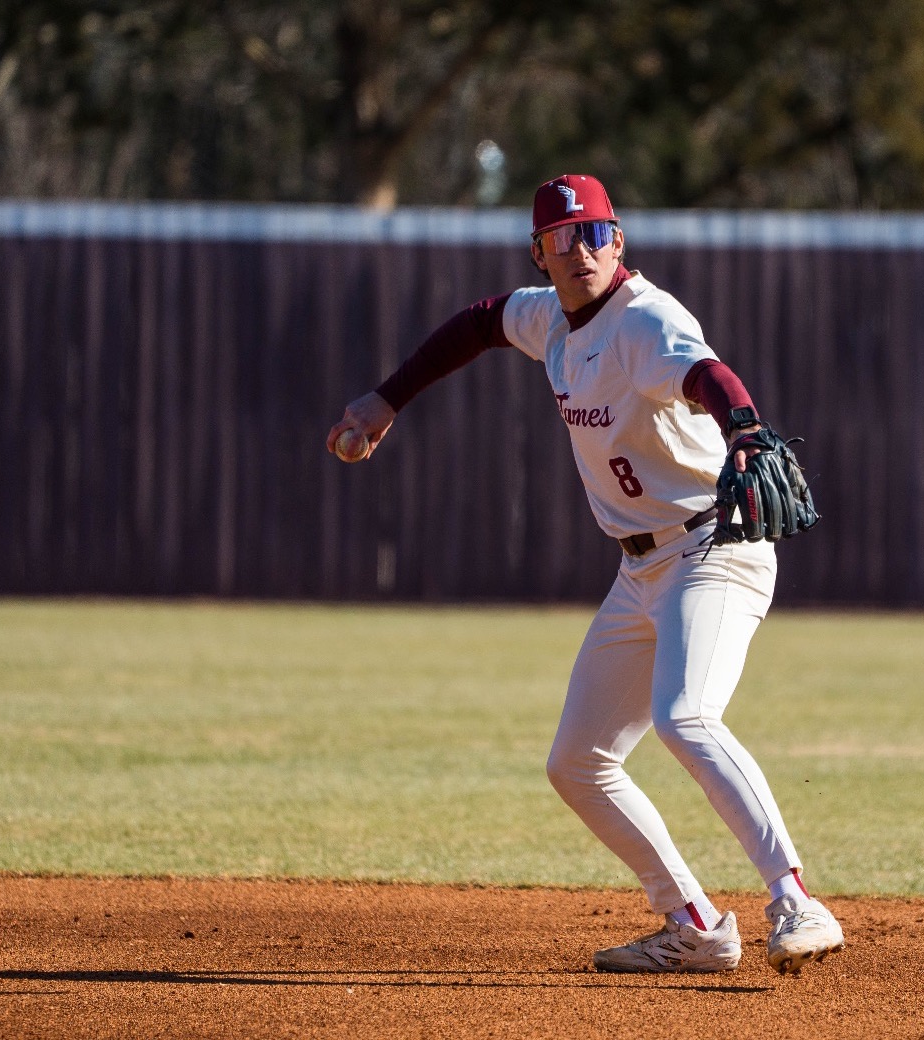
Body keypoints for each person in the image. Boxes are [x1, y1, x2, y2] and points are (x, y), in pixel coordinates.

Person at [325, 174, 842, 975]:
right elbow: (478, 324)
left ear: (619, 240)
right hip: (639, 572)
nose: (580, 252)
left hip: (713, 549)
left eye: (594, 234)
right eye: (561, 240)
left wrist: (742, 424)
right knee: (578, 761)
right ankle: (694, 923)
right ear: (541, 254)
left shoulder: (645, 318)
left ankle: (795, 900)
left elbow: (708, 373)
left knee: (684, 718)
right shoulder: (551, 321)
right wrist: (388, 399)